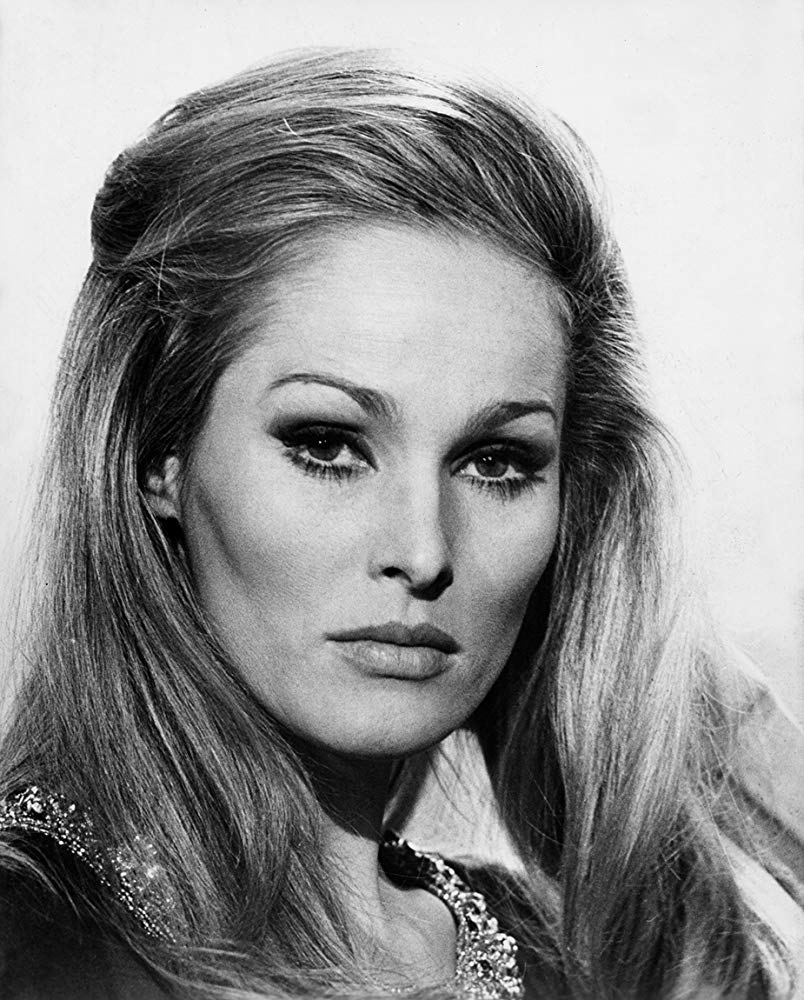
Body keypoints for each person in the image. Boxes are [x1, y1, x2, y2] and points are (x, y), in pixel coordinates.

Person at [0, 47, 801, 1000]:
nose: (424, 552)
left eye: (496, 462)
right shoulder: (28, 935)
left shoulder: (575, 960)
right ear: (156, 455)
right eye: (327, 445)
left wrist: (713, 719)